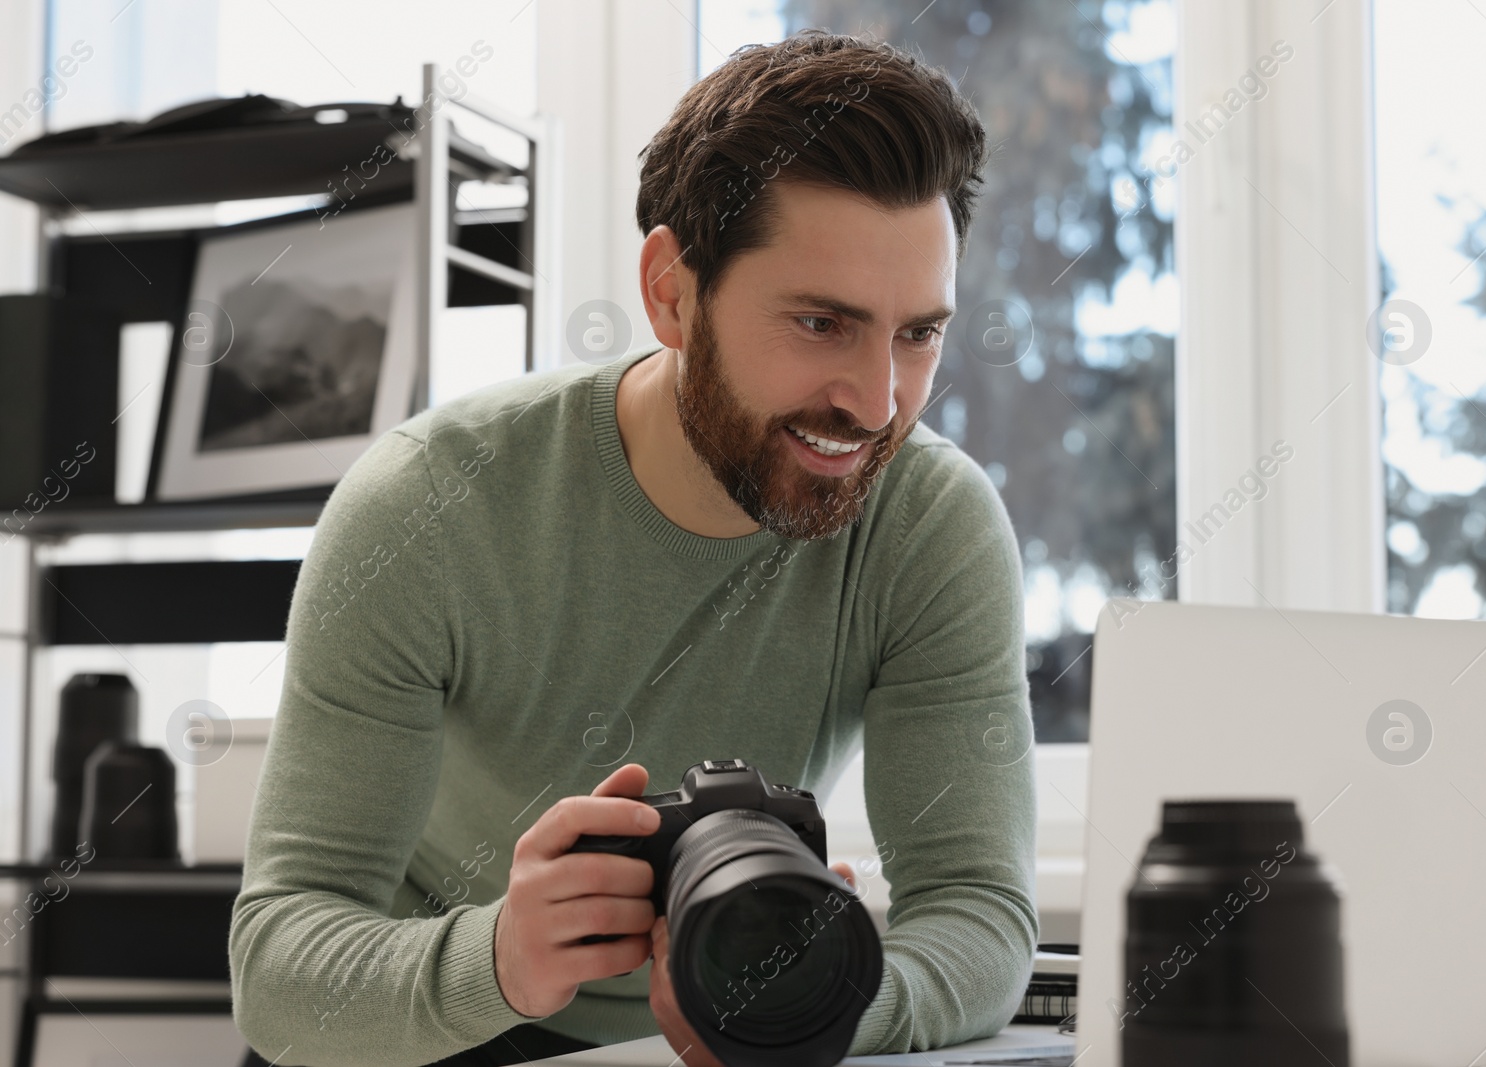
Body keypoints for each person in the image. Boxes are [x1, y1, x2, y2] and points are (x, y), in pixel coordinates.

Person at [232, 28, 1038, 1067]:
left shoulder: (930, 524)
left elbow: (977, 910)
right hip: (420, 1034)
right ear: (670, 291)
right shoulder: (427, 504)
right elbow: (280, 967)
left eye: (917, 333)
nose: (878, 402)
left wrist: (809, 1006)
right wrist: (502, 960)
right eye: (820, 323)